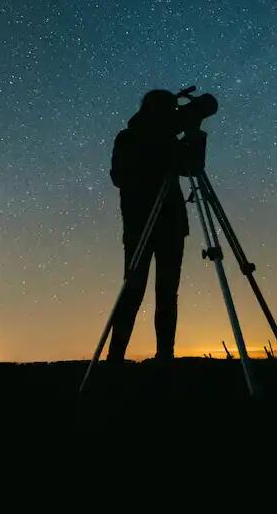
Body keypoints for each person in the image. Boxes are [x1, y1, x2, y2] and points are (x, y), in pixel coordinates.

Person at [107, 89, 190, 363]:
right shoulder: (129, 137)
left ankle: (165, 355)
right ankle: (115, 357)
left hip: (171, 226)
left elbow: (191, 166)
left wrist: (194, 133)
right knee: (133, 290)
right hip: (139, 226)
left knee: (167, 293)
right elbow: (119, 176)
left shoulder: (169, 138)